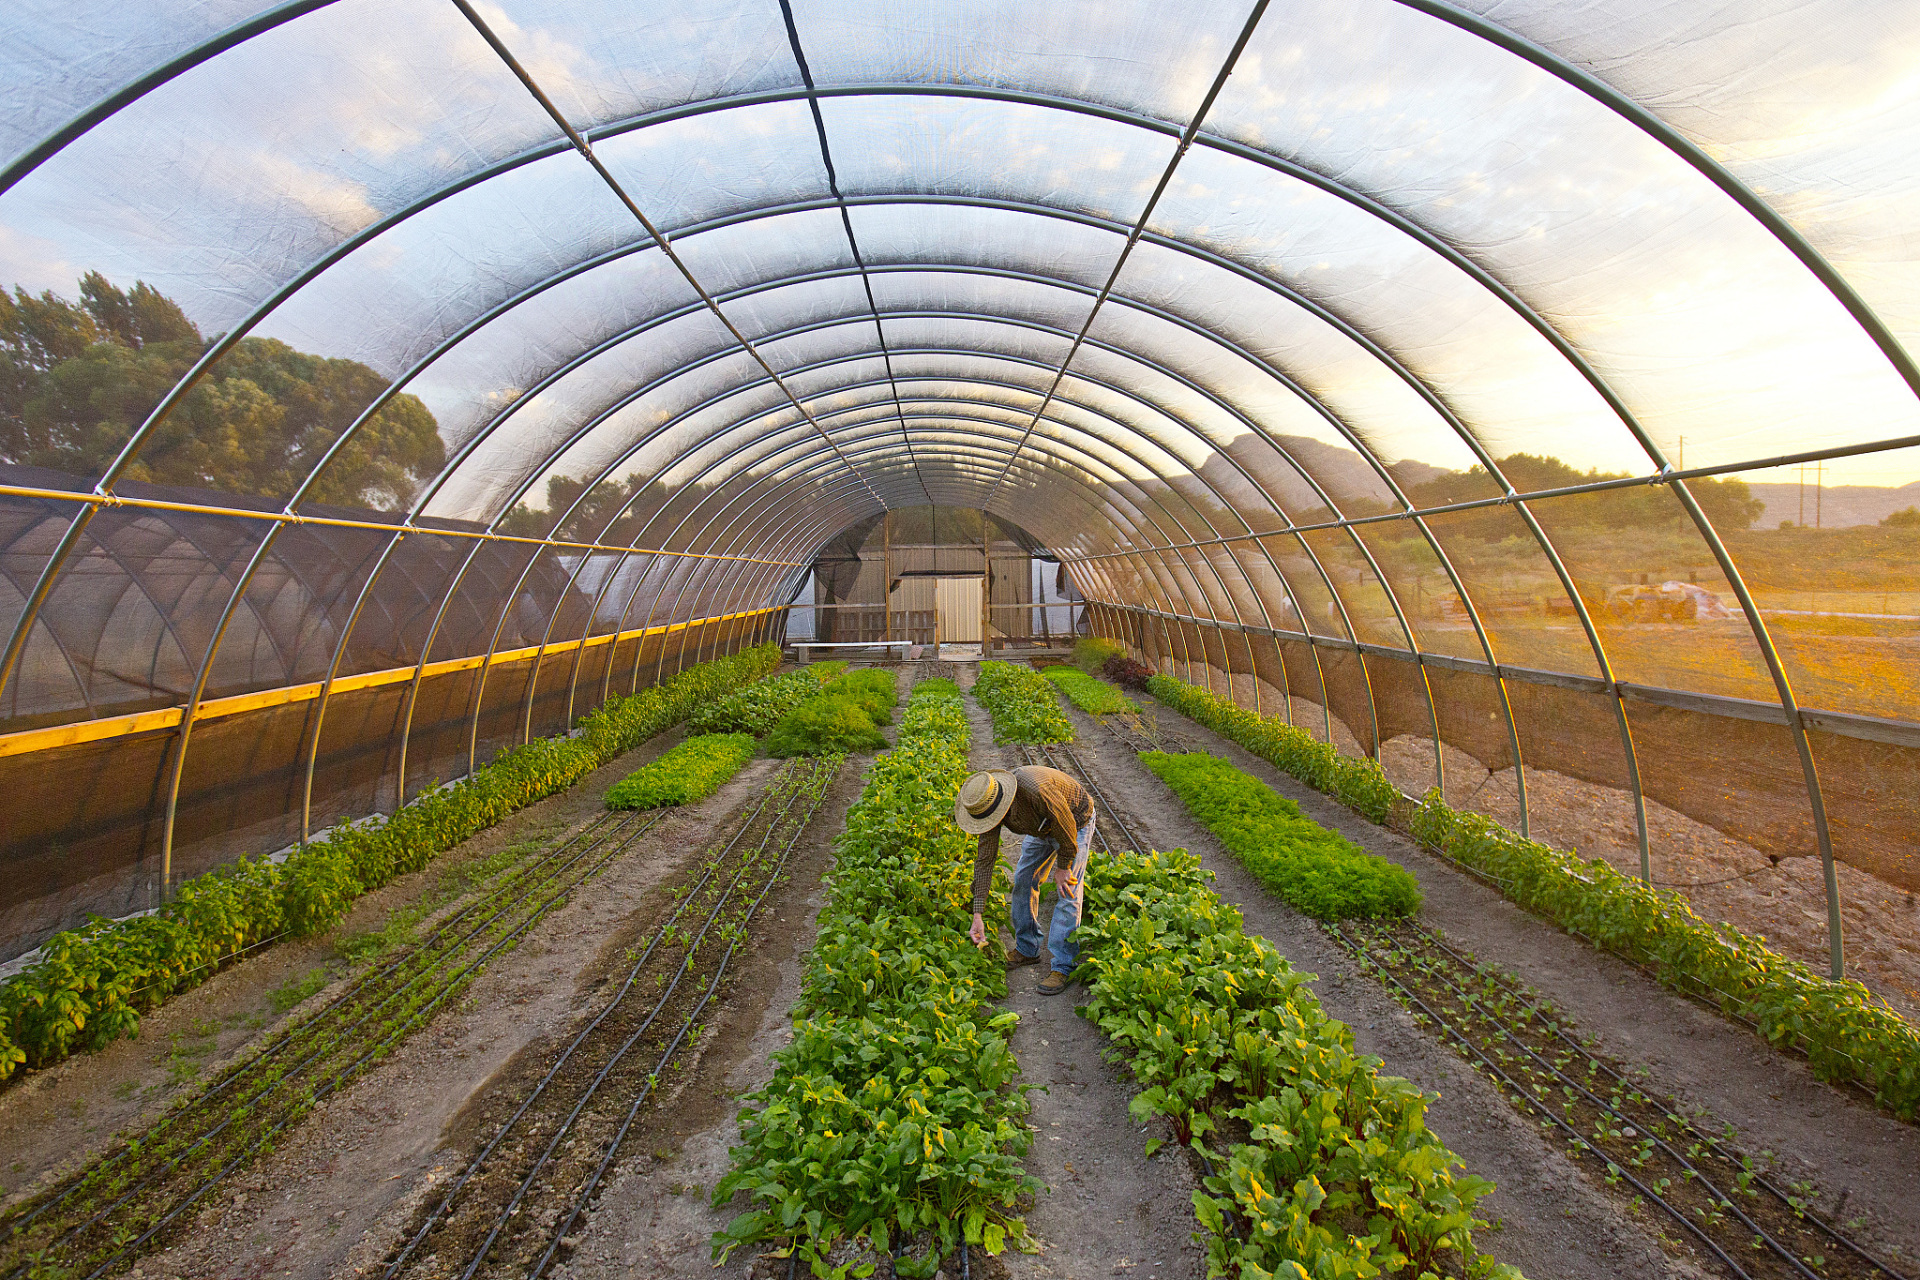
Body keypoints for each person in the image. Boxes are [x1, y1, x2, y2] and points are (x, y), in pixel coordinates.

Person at [954, 766, 1097, 996]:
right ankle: (1027, 949)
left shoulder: (1034, 790)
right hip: (1042, 827)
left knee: (1067, 891)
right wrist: (977, 914)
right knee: (1023, 879)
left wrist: (1064, 866)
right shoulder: (988, 806)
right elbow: (985, 860)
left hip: (1075, 821)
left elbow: (1066, 825)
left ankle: (1063, 966)